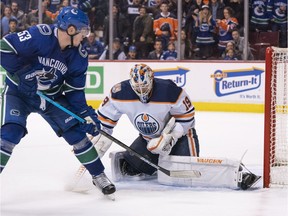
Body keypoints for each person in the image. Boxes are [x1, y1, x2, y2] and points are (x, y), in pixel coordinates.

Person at [0, 6, 115, 196]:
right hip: (18, 93)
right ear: (70, 30)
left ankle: (98, 175)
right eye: (82, 31)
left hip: (51, 97)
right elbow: (4, 48)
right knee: (11, 132)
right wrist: (21, 72)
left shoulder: (79, 55)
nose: (84, 36)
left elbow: (74, 91)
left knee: (76, 133)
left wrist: (85, 115)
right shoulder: (40, 35)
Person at [92, 63, 261, 190]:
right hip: (148, 141)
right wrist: (98, 143)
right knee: (130, 167)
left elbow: (187, 118)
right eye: (138, 88)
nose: (142, 92)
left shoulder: (169, 90)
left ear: (152, 81)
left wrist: (169, 138)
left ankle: (237, 175)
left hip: (180, 137)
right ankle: (149, 160)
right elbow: (105, 123)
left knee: (187, 174)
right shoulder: (119, 92)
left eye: (145, 87)